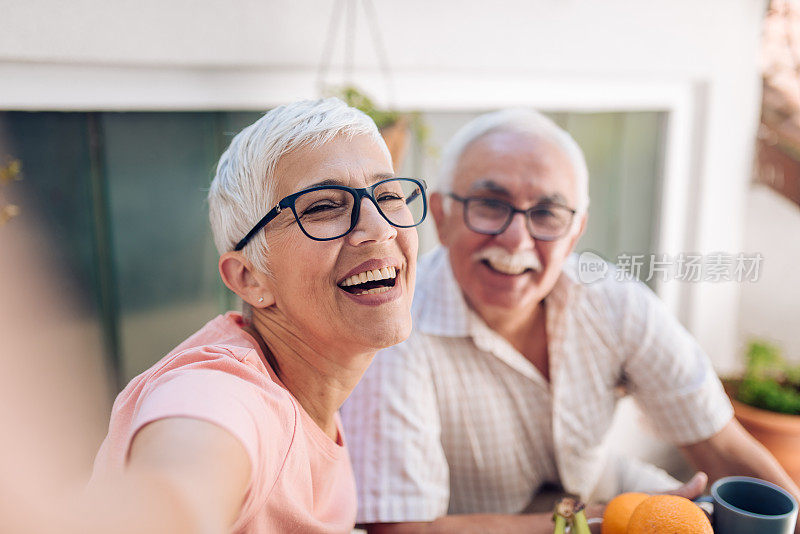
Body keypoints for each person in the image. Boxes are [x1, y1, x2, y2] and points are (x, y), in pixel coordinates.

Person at [341, 109, 800, 533]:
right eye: (490, 205)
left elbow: (720, 446)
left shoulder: (615, 303)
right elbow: (403, 530)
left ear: (576, 230)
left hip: (616, 495)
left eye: (546, 213)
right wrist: (608, 518)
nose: (516, 238)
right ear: (441, 216)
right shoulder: (394, 329)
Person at [89, 98, 428, 533]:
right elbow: (177, 485)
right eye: (323, 207)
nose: (379, 227)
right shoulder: (223, 389)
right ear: (249, 278)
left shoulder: (309, 386)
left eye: (388, 195)